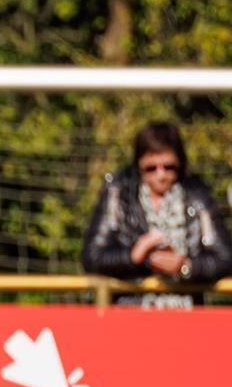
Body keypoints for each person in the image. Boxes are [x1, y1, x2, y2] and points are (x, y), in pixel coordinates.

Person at [82, 120, 232, 308]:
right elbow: (92, 256)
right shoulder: (119, 195)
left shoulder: (198, 196)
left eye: (169, 167)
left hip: (184, 313)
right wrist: (134, 256)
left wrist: (185, 267)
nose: (160, 175)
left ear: (180, 164)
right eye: (151, 168)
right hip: (129, 310)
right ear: (138, 166)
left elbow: (225, 258)